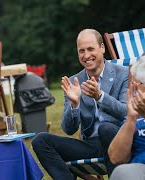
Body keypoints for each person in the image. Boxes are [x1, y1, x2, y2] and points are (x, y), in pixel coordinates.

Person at [32, 29, 128, 179]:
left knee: (105, 128)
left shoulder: (124, 74)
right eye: (81, 51)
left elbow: (125, 112)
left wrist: (100, 96)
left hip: (118, 141)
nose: (86, 55)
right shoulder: (73, 82)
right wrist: (74, 105)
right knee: (41, 140)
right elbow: (68, 129)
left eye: (91, 49)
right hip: (90, 145)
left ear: (102, 48)